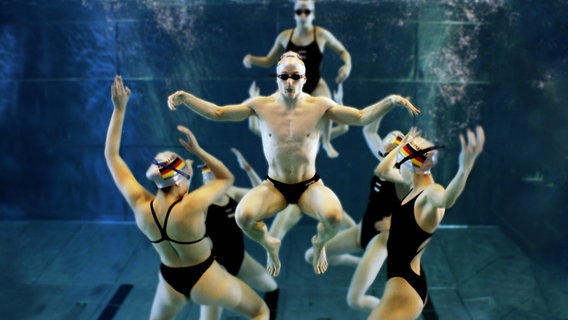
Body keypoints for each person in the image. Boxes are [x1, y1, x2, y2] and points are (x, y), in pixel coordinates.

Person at [167, 52, 420, 277]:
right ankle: (270, 245)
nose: (289, 82)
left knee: (333, 217)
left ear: (305, 77)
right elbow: (218, 113)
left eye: (295, 77)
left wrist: (391, 101)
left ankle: (319, 244)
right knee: (243, 217)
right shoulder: (261, 105)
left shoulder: (320, 105)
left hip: (309, 185)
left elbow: (361, 117)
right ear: (276, 77)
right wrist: (187, 98)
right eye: (284, 76)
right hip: (274, 186)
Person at [104, 75, 269, 320]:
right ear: (179, 181)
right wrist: (198, 150)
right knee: (259, 311)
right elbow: (226, 179)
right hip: (206, 278)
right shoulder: (191, 205)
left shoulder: (141, 205)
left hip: (170, 281)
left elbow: (112, 156)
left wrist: (119, 110)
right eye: (188, 175)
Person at [367, 126, 485, 320]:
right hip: (400, 283)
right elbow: (382, 170)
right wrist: (399, 147)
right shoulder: (414, 190)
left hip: (406, 291)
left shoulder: (429, 193)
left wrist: (464, 169)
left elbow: (446, 199)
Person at [303, 116, 411, 312]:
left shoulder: (403, 175)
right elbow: (369, 130)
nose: (393, 136)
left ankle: (393, 315)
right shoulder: (384, 159)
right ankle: (356, 261)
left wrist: (400, 221)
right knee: (311, 256)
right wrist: (388, 104)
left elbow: (422, 207)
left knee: (355, 300)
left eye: (398, 138)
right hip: (362, 229)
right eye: (391, 135)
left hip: (380, 240)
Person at [242, 0, 351, 158]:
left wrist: (347, 66)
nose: (302, 15)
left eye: (306, 12)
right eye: (299, 11)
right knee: (272, 110)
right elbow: (268, 60)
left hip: (315, 82)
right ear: (294, 14)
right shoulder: (285, 36)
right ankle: (277, 139)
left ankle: (326, 142)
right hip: (290, 84)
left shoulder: (321, 35)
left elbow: (343, 51)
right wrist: (252, 59)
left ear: (312, 14)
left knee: (327, 105)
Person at [200, 150, 280, 320]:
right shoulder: (200, 204)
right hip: (216, 270)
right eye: (207, 175)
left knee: (272, 289)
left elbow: (264, 194)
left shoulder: (233, 192)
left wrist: (248, 168)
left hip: (240, 259)